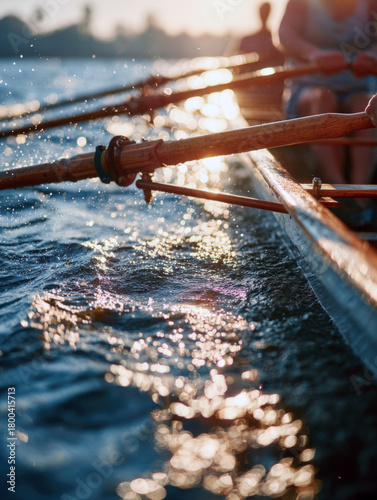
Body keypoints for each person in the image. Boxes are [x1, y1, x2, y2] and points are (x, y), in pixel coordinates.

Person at [277, 0, 377, 185]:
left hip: (357, 88)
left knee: (366, 106)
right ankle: (337, 185)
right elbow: (285, 36)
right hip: (307, 87)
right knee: (324, 99)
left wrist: (372, 55)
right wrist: (314, 54)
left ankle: (360, 188)